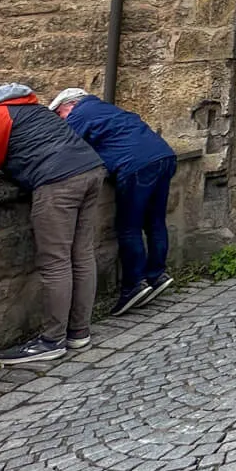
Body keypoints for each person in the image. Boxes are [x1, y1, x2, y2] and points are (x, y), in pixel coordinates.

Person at [0, 78, 106, 366]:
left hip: (58, 180)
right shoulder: (30, 107)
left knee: (55, 260)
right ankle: (79, 331)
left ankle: (52, 339)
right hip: (90, 169)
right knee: (82, 255)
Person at [49, 89, 176, 317]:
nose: (61, 119)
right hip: (163, 156)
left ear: (71, 104)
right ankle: (157, 274)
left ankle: (134, 284)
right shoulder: (104, 108)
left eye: (59, 113)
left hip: (135, 165)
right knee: (155, 221)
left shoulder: (79, 114)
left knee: (129, 227)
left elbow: (65, 148)